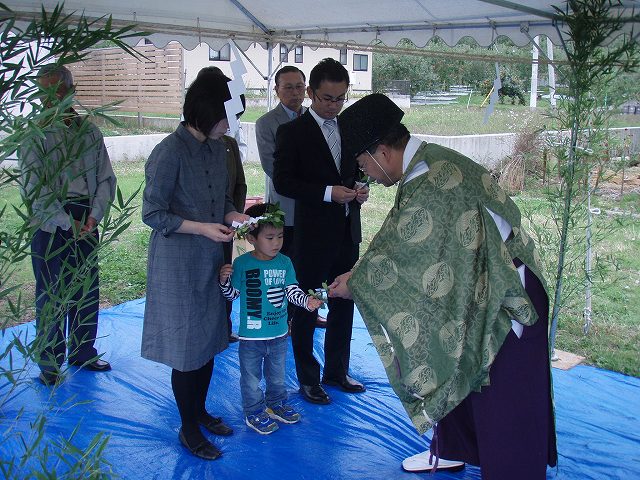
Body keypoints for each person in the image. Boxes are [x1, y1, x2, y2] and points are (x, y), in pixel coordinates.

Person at [329, 93, 558, 478]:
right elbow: (405, 243)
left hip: (505, 298)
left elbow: (407, 257)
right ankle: (452, 449)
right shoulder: (430, 161)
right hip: (481, 286)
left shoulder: (432, 180)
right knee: (454, 371)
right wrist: (360, 274)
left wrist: (358, 282)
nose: (363, 172)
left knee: (506, 409)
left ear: (382, 152)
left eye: (362, 163)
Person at [141, 73, 249, 461]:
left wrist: (240, 219)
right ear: (207, 113)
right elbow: (152, 213)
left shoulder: (217, 149)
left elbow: (221, 200)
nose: (230, 125)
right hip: (179, 263)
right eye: (227, 117)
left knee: (207, 341)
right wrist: (202, 227)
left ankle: (199, 412)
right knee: (188, 348)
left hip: (212, 259)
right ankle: (187, 428)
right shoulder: (170, 151)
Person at [273, 58, 369, 405]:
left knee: (344, 303)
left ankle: (337, 371)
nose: (333, 105)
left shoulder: (350, 128)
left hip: (346, 230)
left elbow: (358, 169)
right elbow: (284, 181)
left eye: (340, 98)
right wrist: (328, 192)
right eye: (327, 98)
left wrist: (360, 187)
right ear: (311, 92)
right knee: (307, 306)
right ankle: (309, 379)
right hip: (311, 235)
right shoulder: (292, 132)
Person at [19, 64, 116, 386]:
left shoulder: (89, 131)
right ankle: (49, 360)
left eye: (57, 90)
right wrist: (66, 221)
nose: (52, 98)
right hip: (50, 223)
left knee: (86, 288)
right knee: (51, 292)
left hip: (86, 218)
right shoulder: (34, 134)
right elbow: (34, 187)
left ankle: (82, 350)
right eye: (45, 92)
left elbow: (106, 178)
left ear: (71, 91)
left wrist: (93, 216)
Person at [219, 202, 323, 434]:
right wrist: (224, 281)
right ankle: (254, 411)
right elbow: (232, 295)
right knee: (251, 380)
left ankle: (276, 404)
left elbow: (291, 291)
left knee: (277, 377)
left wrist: (307, 301)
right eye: (269, 237)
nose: (276, 243)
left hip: (278, 334)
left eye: (280, 236)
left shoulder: (285, 262)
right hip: (251, 338)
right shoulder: (242, 264)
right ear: (252, 238)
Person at [256, 65, 327, 328]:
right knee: (285, 265)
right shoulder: (266, 123)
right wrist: (313, 179)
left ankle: (311, 311)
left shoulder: (315, 118)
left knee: (313, 265)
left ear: (307, 89)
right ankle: (283, 317)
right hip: (285, 209)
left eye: (299, 86)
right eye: (288, 87)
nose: (295, 93)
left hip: (315, 208)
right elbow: (272, 168)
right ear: (276, 91)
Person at [195, 66, 248, 343]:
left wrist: (234, 217)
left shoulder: (225, 145)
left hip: (225, 228)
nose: (230, 124)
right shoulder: (177, 150)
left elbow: (238, 185)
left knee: (227, 276)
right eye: (228, 118)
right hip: (198, 236)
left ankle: (223, 327)